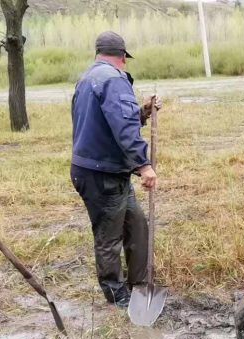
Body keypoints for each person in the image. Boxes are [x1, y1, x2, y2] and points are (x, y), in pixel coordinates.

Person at [71, 31, 159, 307]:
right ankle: (116, 295)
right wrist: (144, 165)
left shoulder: (87, 78)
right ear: (122, 57)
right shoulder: (114, 79)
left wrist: (142, 112)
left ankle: (140, 285)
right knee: (109, 236)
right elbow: (123, 128)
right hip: (102, 175)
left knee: (137, 227)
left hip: (102, 171)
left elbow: (107, 121)